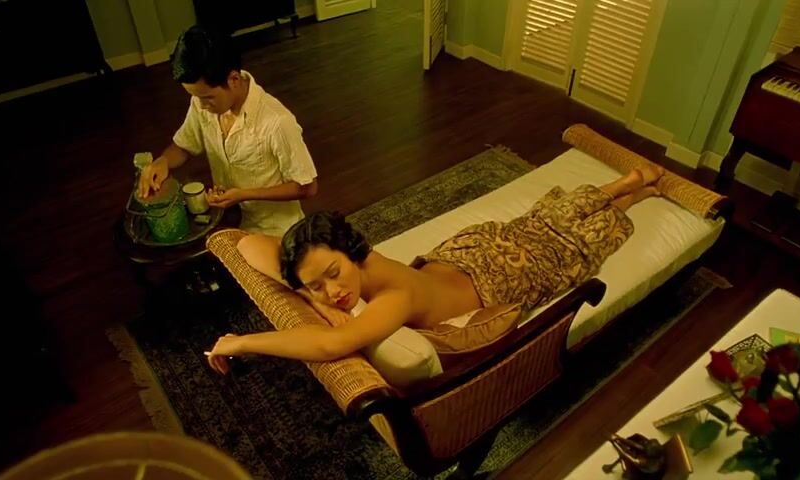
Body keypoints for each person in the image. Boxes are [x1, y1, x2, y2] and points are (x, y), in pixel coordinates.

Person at [206, 165, 665, 374]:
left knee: (566, 239)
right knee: (545, 224)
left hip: (499, 268)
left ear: (349, 252)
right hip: (466, 257)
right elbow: (250, 244)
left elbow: (330, 345)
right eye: (316, 286)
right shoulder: (358, 265)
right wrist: (313, 297)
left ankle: (626, 187)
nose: (334, 291)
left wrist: (241, 341)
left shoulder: (393, 299)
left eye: (333, 273)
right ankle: (631, 189)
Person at [138, 25, 318, 236]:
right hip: (227, 221)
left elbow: (308, 186)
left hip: (273, 231)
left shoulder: (278, 122)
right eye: (195, 97)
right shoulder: (201, 102)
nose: (201, 105)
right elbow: (184, 146)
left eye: (207, 98)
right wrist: (163, 162)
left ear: (233, 80)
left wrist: (244, 195)